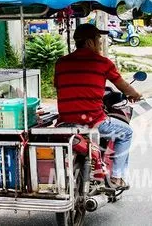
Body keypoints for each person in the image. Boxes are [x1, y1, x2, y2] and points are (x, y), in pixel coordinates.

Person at [54, 23, 142, 189]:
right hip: (93, 121)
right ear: (89, 43)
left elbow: (59, 86)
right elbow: (122, 85)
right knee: (126, 132)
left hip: (65, 121)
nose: (100, 44)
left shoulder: (61, 63)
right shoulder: (103, 63)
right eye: (98, 41)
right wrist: (135, 94)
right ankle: (117, 178)